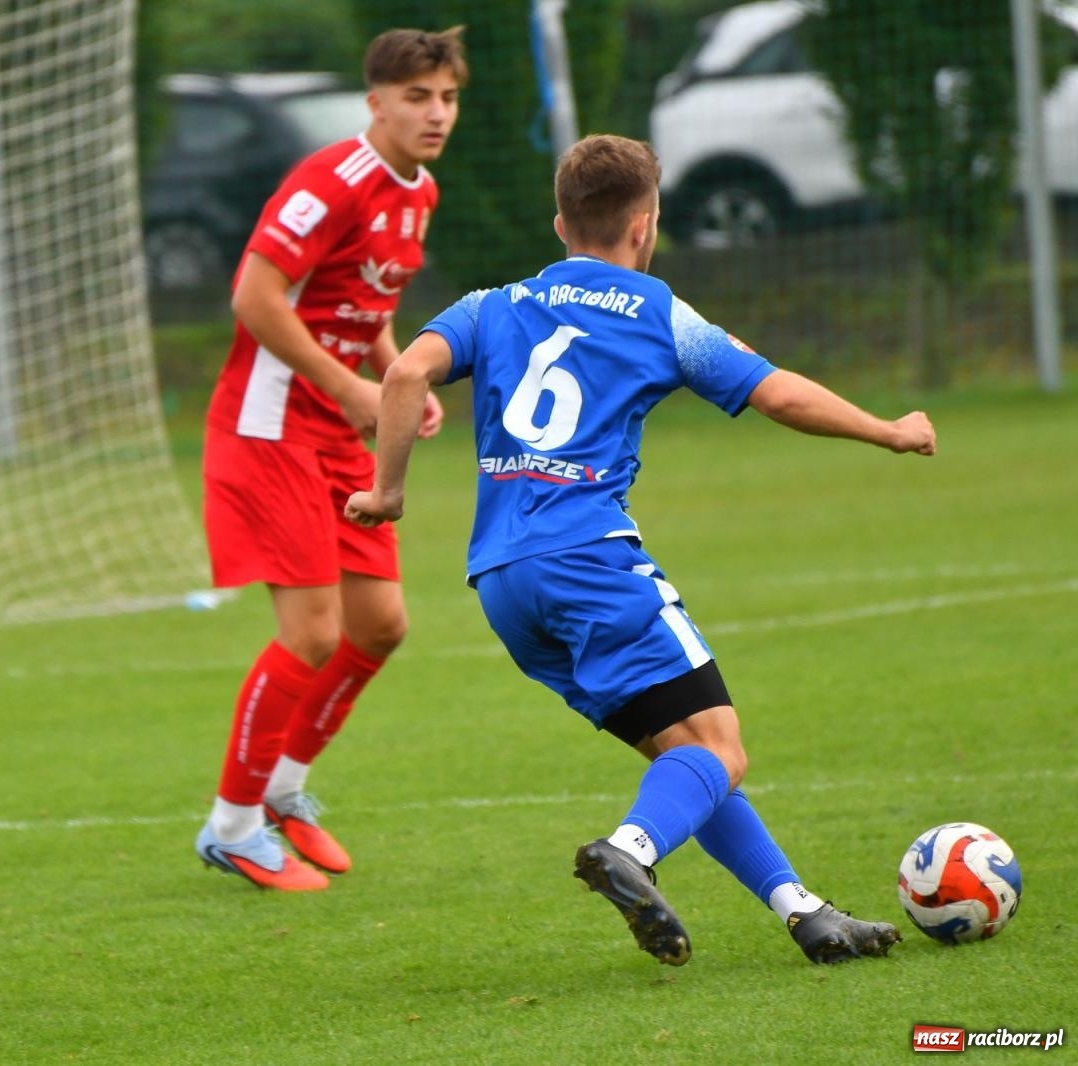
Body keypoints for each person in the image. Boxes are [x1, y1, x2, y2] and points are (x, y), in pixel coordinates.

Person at [344, 133, 933, 964]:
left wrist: (389, 491)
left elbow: (402, 377)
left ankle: (804, 912)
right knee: (719, 748)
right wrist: (888, 430)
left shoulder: (492, 304)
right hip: (590, 559)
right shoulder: (658, 312)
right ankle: (630, 850)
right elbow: (781, 395)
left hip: (504, 583)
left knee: (685, 756)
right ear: (645, 225)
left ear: (560, 225)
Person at [193, 27, 466, 892]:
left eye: (448, 97)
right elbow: (255, 297)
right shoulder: (331, 181)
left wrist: (393, 376)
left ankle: (283, 787)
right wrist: (349, 391)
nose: (436, 113)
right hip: (269, 426)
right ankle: (230, 826)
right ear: (376, 100)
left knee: (379, 625)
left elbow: (362, 306)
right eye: (418, 96)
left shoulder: (418, 191)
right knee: (311, 632)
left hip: (333, 430)